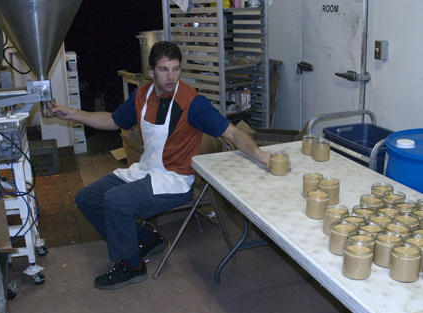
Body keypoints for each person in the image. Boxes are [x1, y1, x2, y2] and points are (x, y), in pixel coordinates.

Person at [49, 41, 272, 290]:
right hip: (146, 171)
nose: (171, 77)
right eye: (164, 70)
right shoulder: (142, 95)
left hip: (174, 180)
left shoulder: (192, 102)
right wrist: (71, 113)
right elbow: (113, 120)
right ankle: (147, 239)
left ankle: (132, 266)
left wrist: (261, 155)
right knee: (87, 198)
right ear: (151, 71)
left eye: (176, 69)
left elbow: (231, 133)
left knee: (116, 201)